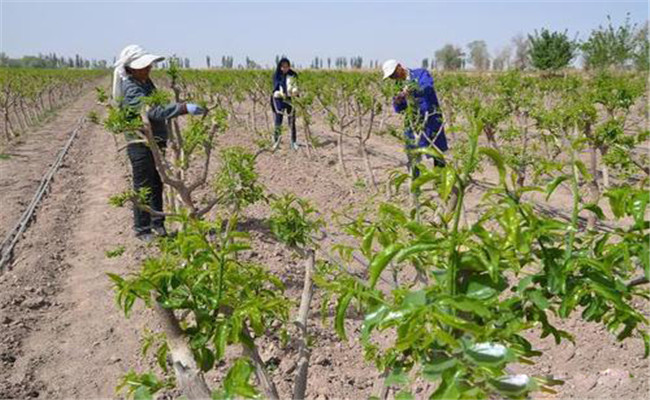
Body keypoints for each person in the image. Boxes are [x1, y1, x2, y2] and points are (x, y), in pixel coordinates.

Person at [112, 44, 205, 242]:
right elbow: (153, 111)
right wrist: (183, 108)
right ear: (130, 68)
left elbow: (157, 105)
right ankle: (143, 229)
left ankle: (158, 223)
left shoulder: (145, 82)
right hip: (141, 144)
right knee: (143, 185)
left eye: (148, 66)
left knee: (156, 183)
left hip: (155, 141)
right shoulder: (131, 88)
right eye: (143, 66)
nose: (148, 69)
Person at [382, 59, 448, 177]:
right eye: (391, 77)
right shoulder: (398, 86)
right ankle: (415, 187)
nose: (393, 78)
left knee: (437, 152)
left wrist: (412, 91)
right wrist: (398, 100)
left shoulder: (420, 74)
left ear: (399, 67)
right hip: (412, 122)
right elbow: (398, 109)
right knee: (412, 153)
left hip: (430, 119)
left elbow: (427, 87)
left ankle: (441, 185)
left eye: (393, 74)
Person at [271, 57, 299, 150]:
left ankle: (293, 142)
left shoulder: (293, 74)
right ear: (279, 67)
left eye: (286, 66)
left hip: (291, 100)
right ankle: (276, 141)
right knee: (278, 121)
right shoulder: (276, 75)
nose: (284, 69)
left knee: (292, 121)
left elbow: (296, 85)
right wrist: (278, 93)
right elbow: (275, 88)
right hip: (279, 100)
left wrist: (295, 91)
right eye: (282, 67)